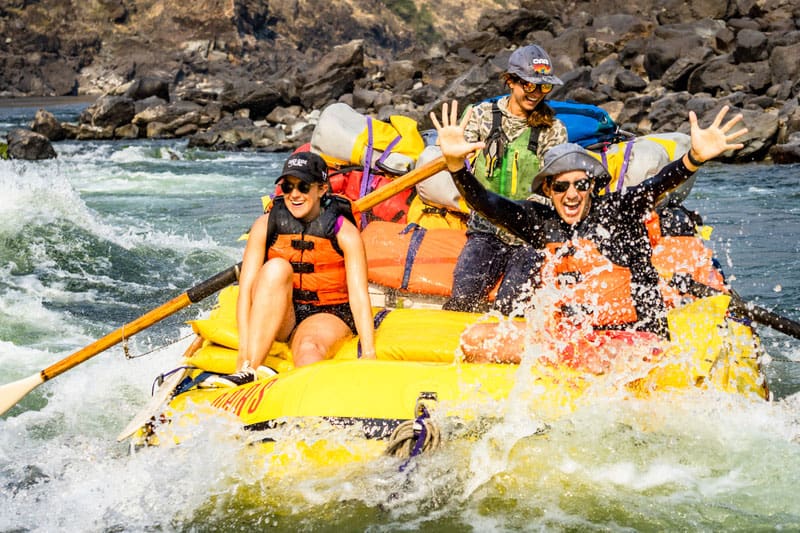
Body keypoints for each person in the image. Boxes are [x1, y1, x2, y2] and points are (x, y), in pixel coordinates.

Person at [431, 100, 746, 363]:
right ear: (548, 190)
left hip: (635, 339)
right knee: (476, 339)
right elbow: (487, 203)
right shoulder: (540, 222)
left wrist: (694, 159)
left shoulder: (619, 210)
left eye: (581, 185)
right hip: (575, 341)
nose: (572, 194)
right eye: (561, 186)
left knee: (576, 355)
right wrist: (456, 166)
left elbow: (659, 183)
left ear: (592, 186)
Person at [213, 151, 376, 386]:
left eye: (303, 187)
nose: (294, 195)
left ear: (321, 189)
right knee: (276, 268)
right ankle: (250, 369)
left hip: (328, 312)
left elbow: (359, 295)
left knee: (309, 350)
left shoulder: (344, 232)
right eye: (288, 188)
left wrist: (369, 352)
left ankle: (316, 405)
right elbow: (246, 290)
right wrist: (243, 354)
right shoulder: (265, 225)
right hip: (284, 313)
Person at [443, 44, 569, 315]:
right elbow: (458, 166)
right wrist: (452, 154)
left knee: (510, 309)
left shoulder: (553, 130)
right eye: (529, 85)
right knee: (462, 300)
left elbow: (555, 186)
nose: (536, 94)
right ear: (510, 81)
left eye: (543, 88)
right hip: (485, 229)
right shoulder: (481, 117)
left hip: (529, 235)